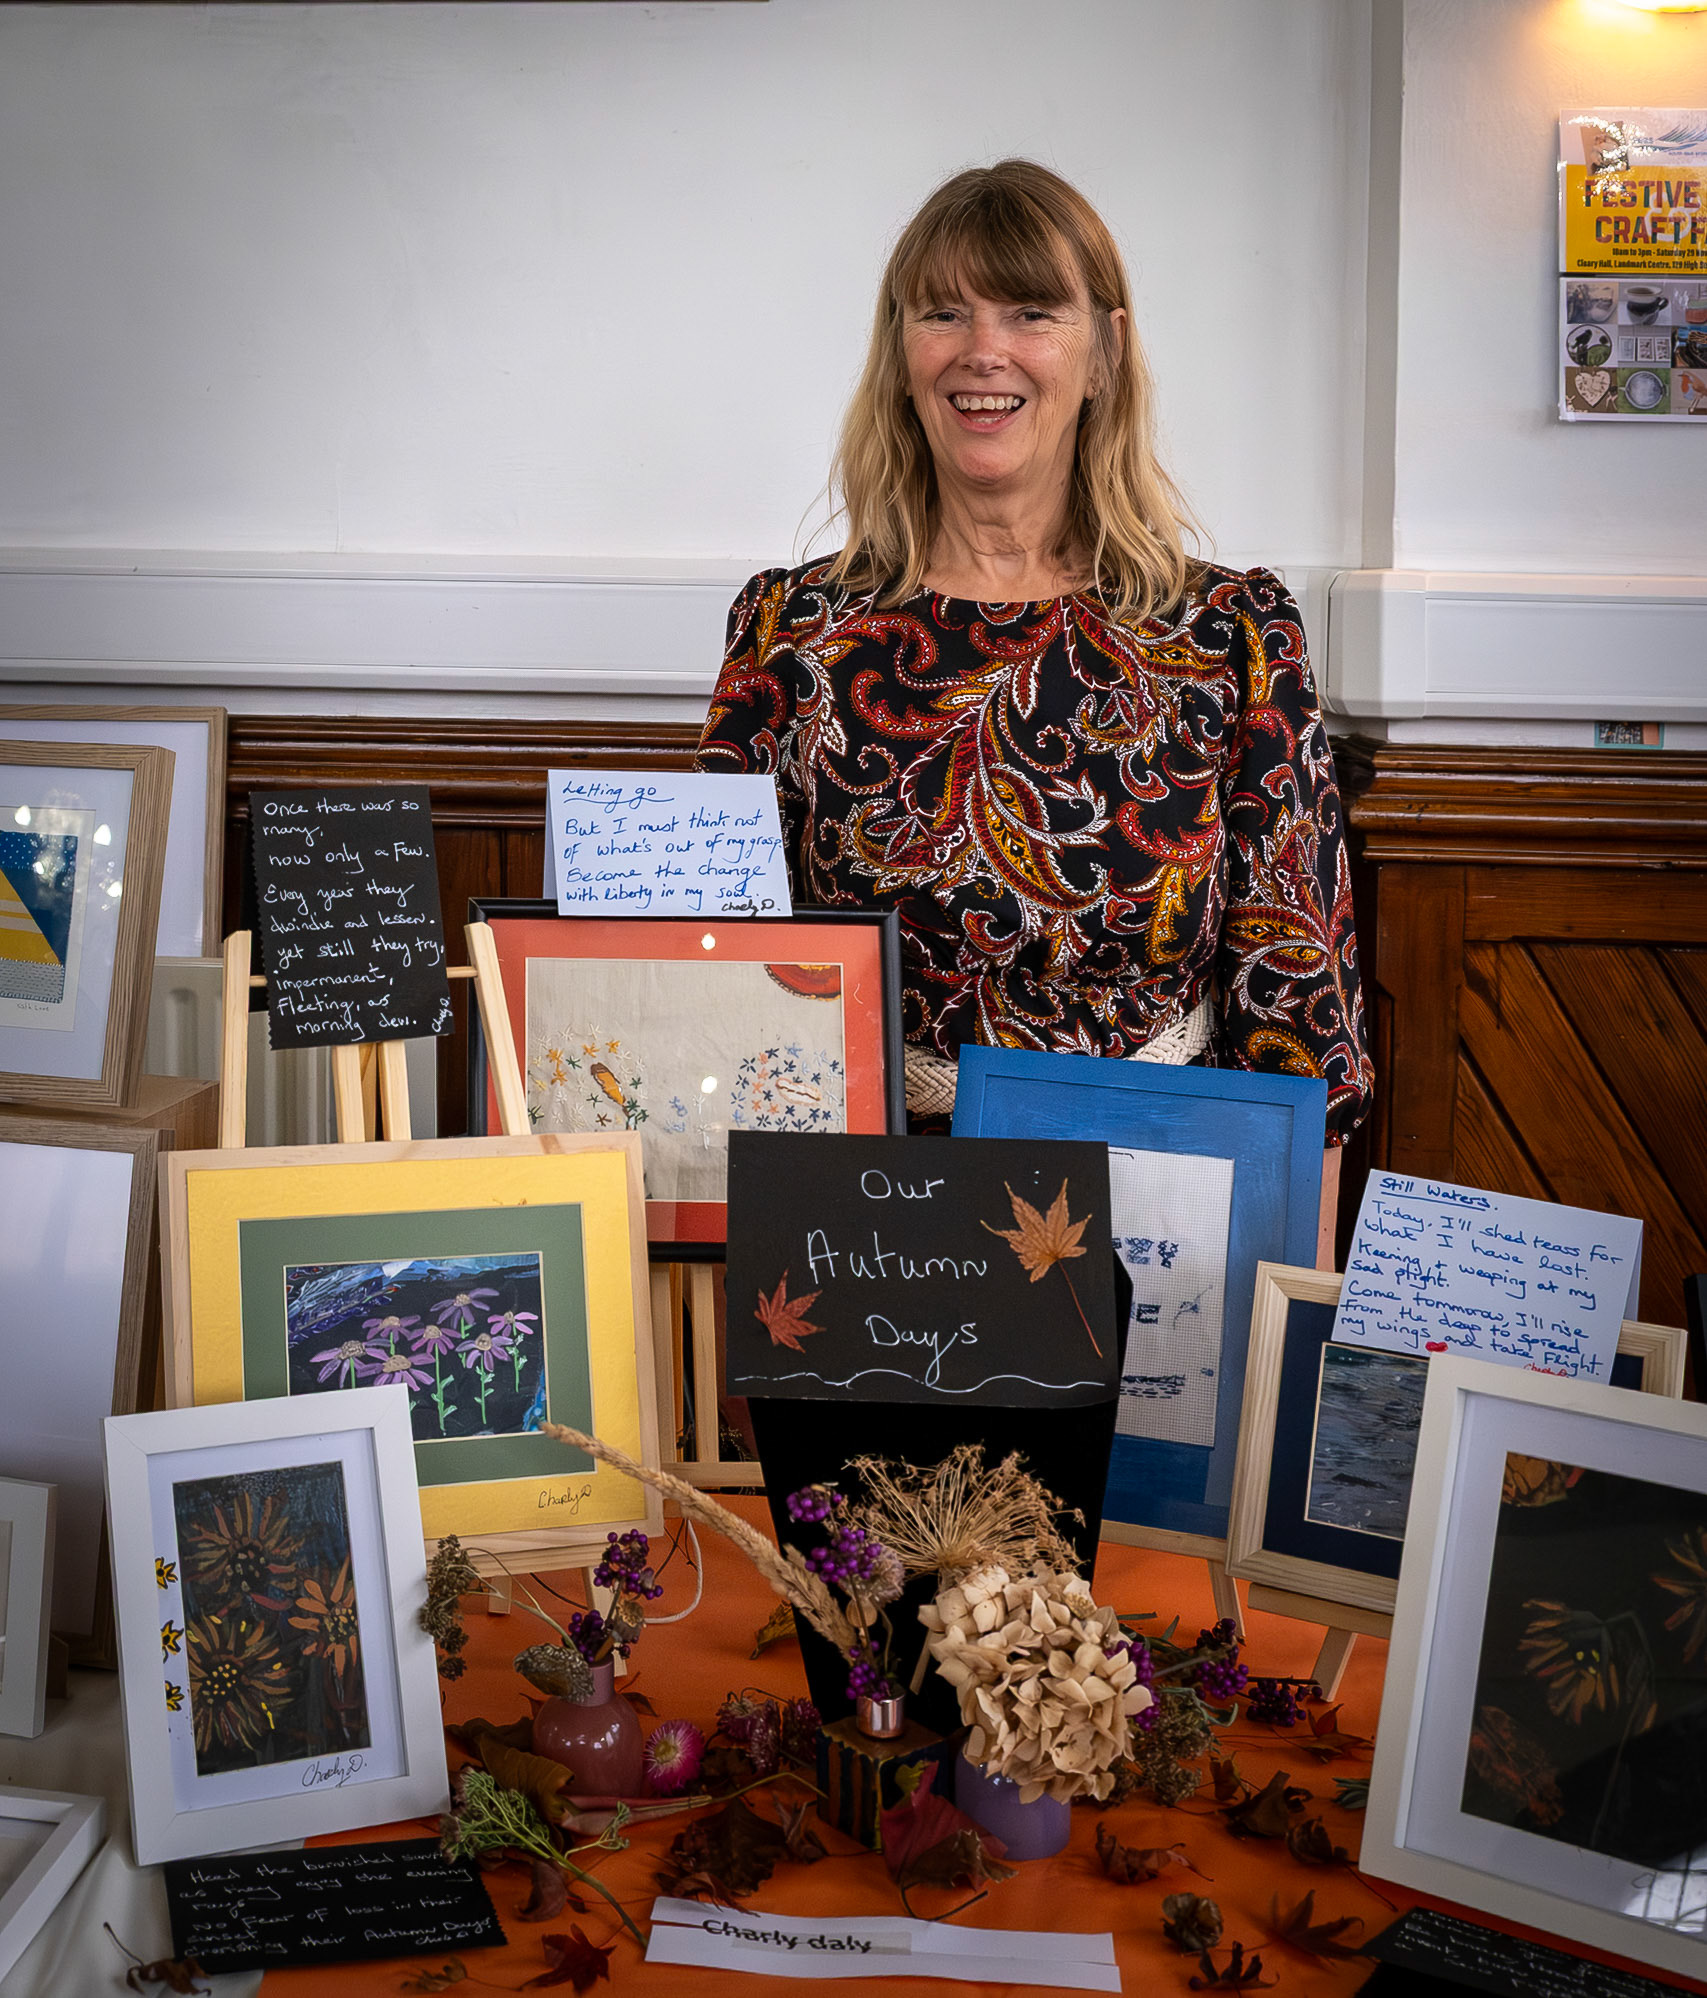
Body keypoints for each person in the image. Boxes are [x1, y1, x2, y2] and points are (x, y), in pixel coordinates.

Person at [697, 159, 1372, 1148]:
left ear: (1104, 353)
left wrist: (1282, 1272)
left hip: (1158, 1197)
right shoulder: (789, 633)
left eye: (1029, 313)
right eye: (941, 314)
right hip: (870, 1205)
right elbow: (710, 964)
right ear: (899, 353)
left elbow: (1301, 1005)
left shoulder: (1231, 637)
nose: (983, 351)